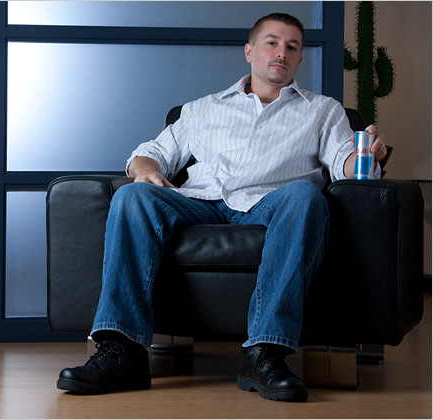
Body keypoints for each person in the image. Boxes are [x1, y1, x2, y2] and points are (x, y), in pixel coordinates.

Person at [56, 13, 389, 402]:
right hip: (200, 201)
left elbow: (344, 162)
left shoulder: (323, 111)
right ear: (250, 51)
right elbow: (151, 153)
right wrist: (146, 169)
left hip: (272, 202)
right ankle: (123, 351)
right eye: (271, 42)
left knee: (305, 195)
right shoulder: (202, 109)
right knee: (132, 194)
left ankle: (265, 352)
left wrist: (364, 159)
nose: (281, 52)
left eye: (292, 47)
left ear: (299, 60)